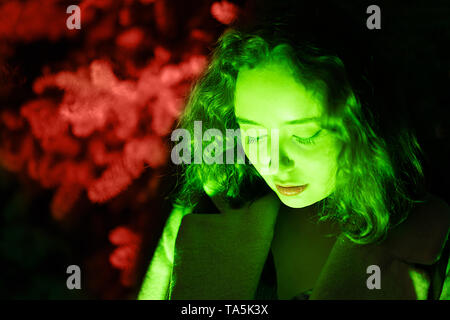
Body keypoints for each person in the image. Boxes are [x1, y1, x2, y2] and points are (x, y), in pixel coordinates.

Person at [138, 2, 450, 300]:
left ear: (364, 124)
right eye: (254, 134)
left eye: (305, 135)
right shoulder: (198, 216)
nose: (274, 162)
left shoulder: (436, 241)